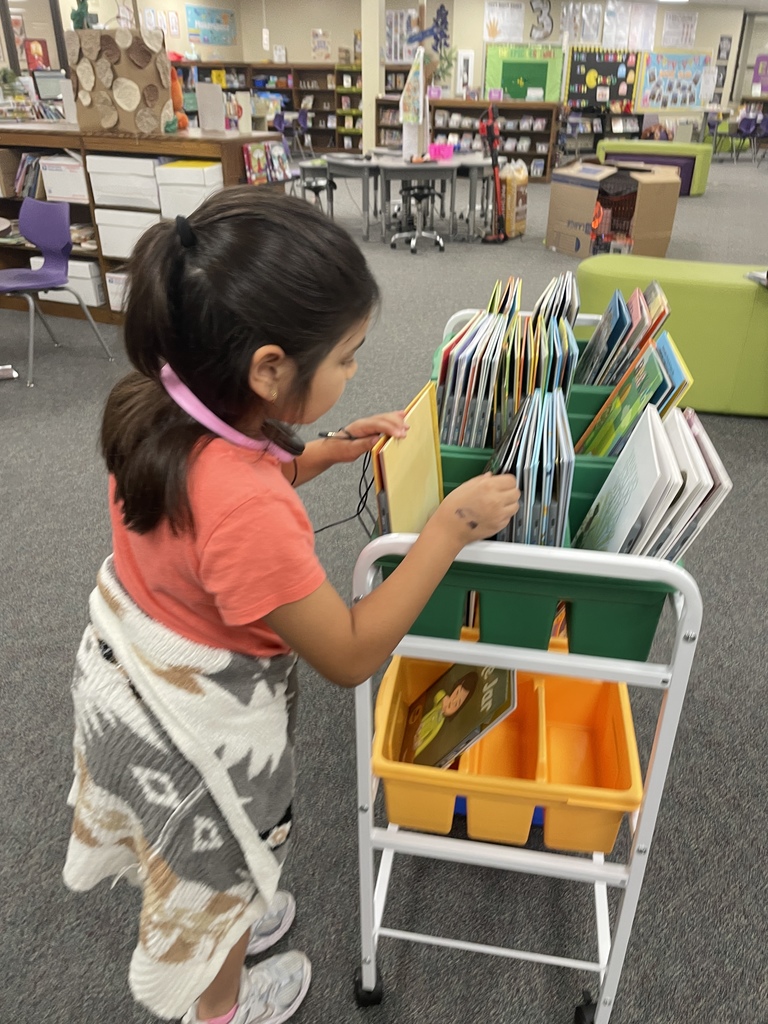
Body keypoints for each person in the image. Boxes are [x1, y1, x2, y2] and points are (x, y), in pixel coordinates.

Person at [62, 188, 520, 1024]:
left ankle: (238, 900)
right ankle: (225, 1004)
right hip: (191, 735)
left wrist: (335, 451)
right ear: (269, 369)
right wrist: (448, 531)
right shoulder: (248, 510)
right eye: (346, 359)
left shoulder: (165, 403)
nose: (352, 374)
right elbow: (349, 655)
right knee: (221, 891)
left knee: (229, 871)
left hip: (130, 684)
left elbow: (245, 482)